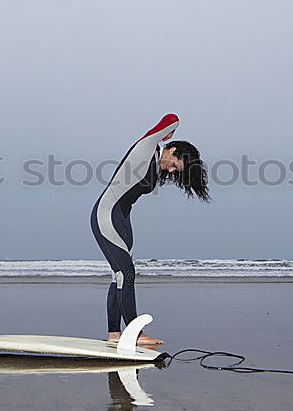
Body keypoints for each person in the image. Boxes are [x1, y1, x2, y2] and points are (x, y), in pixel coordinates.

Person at [89, 113, 211, 346]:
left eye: (177, 170)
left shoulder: (156, 167)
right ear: (171, 148)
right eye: (175, 164)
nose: (173, 171)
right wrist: (169, 130)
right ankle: (135, 333)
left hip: (123, 220)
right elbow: (171, 118)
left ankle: (115, 334)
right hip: (106, 214)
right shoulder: (146, 148)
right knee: (127, 273)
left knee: (120, 276)